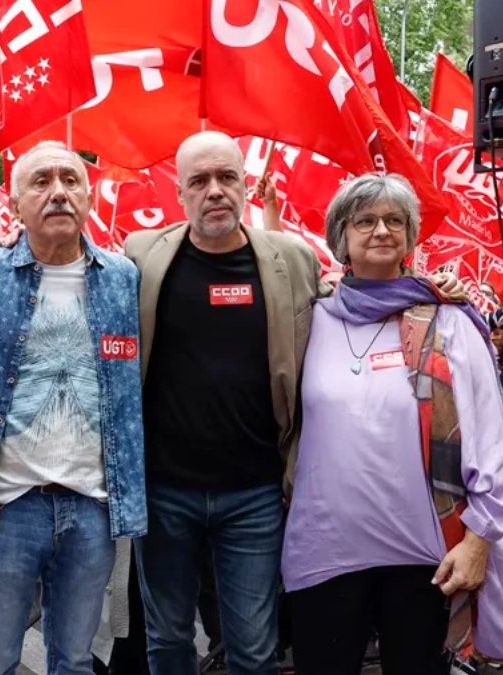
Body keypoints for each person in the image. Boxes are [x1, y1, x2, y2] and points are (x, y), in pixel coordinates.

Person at [282, 174, 503, 674]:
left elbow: (488, 442)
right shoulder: (307, 319)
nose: (381, 230)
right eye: (365, 220)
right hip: (324, 550)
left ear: (409, 236)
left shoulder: (448, 322)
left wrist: (479, 540)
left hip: (426, 555)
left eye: (394, 220)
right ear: (341, 236)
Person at [0, 141, 145, 675]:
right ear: (14, 205)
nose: (58, 192)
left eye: (70, 180)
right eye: (41, 181)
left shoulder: (124, 277)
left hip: (91, 506)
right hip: (5, 505)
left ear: (89, 196)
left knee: (75, 661)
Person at [121, 132, 321, 674]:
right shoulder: (141, 256)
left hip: (254, 494)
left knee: (254, 650)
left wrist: (431, 289)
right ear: (180, 193)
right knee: (166, 640)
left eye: (226, 178)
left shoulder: (293, 259)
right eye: (200, 181)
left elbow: (351, 313)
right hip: (164, 491)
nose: (215, 191)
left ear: (244, 184)